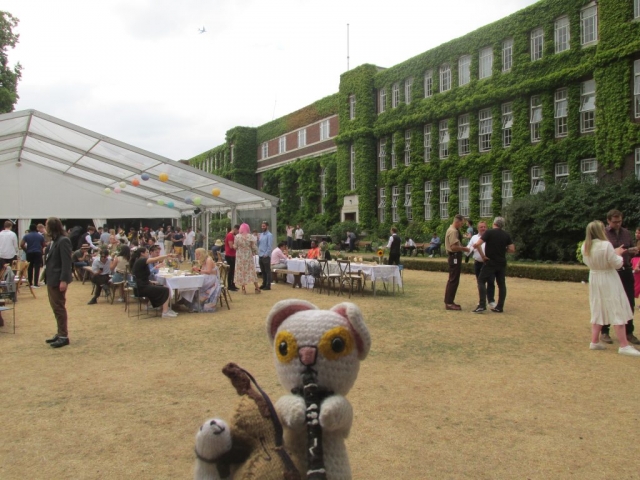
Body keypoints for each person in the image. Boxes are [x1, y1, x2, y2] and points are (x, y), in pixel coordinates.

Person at [581, 220, 640, 356]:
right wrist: (618, 254)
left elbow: (590, 261)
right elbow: (617, 264)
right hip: (608, 278)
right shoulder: (605, 245)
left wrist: (613, 253)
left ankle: (594, 341)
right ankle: (624, 345)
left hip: (595, 278)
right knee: (616, 306)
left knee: (598, 306)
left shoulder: (586, 245)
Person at [600, 209, 640, 345]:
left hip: (626, 270)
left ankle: (629, 332)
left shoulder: (626, 233)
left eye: (620, 221)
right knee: (608, 301)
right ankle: (604, 331)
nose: (617, 224)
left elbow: (628, 249)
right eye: (615, 222)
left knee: (629, 301)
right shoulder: (603, 234)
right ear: (608, 221)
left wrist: (633, 251)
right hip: (611, 271)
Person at [472, 217, 514, 313]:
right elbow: (512, 249)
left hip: (491, 261)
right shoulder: (506, 235)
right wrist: (503, 249)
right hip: (502, 262)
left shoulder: (489, 232)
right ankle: (500, 306)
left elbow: (477, 244)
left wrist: (483, 256)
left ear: (494, 223)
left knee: (481, 280)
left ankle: (482, 305)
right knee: (501, 284)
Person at [44, 217, 73, 348]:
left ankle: (63, 335)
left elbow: (67, 263)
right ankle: (60, 332)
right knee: (55, 307)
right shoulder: (54, 241)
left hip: (58, 279)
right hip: (51, 278)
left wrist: (64, 280)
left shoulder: (63, 241)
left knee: (59, 307)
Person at [129, 246, 177, 318]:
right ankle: (165, 312)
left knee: (164, 287)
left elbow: (140, 276)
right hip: (142, 288)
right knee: (165, 290)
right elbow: (155, 259)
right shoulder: (141, 260)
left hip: (141, 286)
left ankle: (165, 308)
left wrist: (150, 281)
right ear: (142, 254)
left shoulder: (138, 261)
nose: (148, 254)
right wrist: (167, 256)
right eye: (147, 252)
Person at [467, 221, 496, 310]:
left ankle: (491, 300)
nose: (483, 228)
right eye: (481, 227)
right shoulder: (474, 238)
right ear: (478, 228)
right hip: (478, 263)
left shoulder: (491, 237)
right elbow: (469, 248)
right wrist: (468, 249)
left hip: (489, 263)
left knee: (491, 282)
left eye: (484, 227)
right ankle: (482, 300)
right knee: (480, 283)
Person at [444, 214, 470, 311]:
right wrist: (464, 249)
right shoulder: (453, 231)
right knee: (454, 280)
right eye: (461, 223)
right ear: (457, 222)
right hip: (454, 256)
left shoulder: (452, 230)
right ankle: (449, 302)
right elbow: (453, 247)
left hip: (454, 257)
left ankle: (449, 301)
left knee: (452, 279)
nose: (461, 225)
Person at [188, 248, 221, 312]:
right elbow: (203, 271)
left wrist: (199, 270)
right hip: (207, 277)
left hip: (211, 278)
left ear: (201, 254)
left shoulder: (208, 259)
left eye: (197, 254)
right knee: (194, 283)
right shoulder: (203, 260)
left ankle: (197, 304)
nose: (196, 256)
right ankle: (193, 302)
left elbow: (208, 271)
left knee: (196, 285)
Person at [233, 223, 260, 294]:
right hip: (248, 256)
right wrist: (255, 252)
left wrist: (236, 246)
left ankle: (243, 289)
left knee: (242, 272)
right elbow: (254, 247)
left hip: (240, 256)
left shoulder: (237, 236)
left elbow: (235, 247)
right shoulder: (250, 236)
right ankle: (257, 288)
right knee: (251, 270)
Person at [258, 221, 273, 290]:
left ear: (267, 226)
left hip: (265, 256)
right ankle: (264, 283)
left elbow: (269, 246)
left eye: (264, 226)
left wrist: (266, 254)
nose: (262, 227)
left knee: (267, 271)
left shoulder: (269, 235)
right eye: (262, 226)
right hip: (260, 254)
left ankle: (268, 285)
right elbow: (259, 244)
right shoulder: (261, 235)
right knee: (263, 271)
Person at [225, 225, 239, 291]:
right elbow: (231, 246)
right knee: (231, 271)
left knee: (233, 271)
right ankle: (230, 285)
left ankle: (233, 284)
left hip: (232, 255)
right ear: (236, 229)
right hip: (230, 255)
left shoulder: (231, 235)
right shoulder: (230, 235)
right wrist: (237, 247)